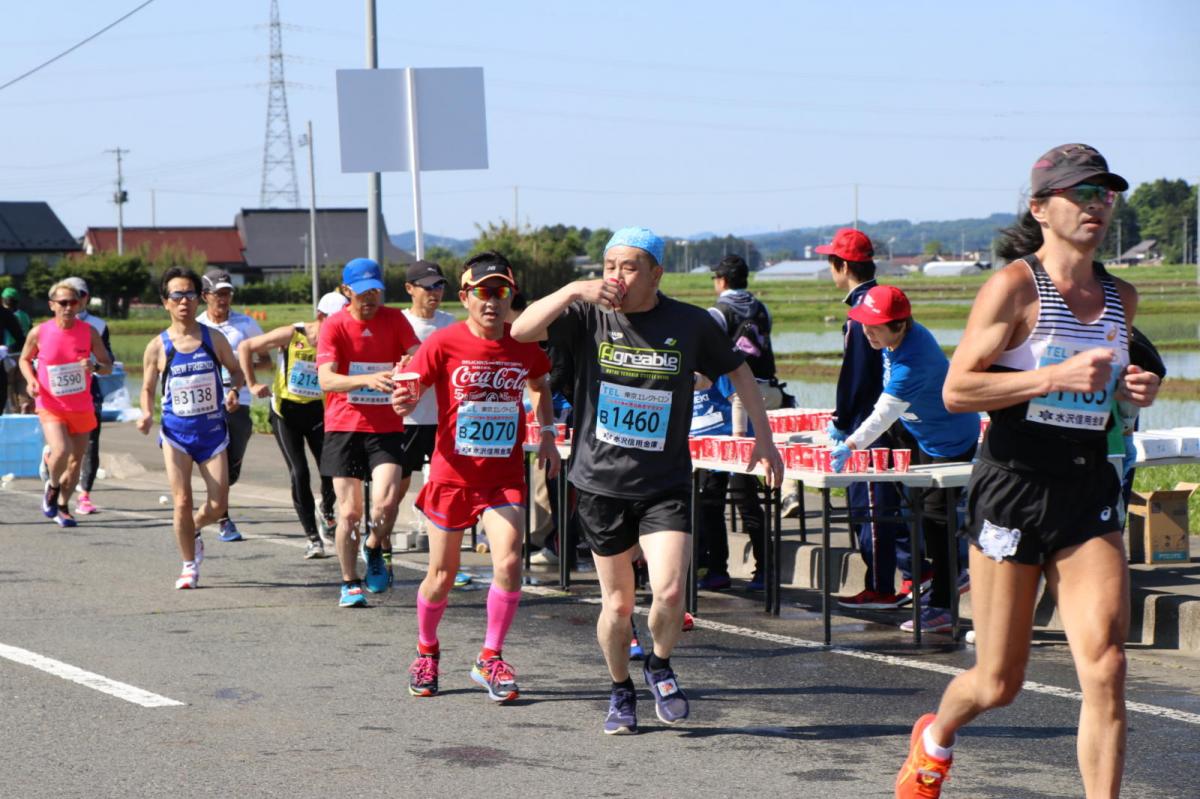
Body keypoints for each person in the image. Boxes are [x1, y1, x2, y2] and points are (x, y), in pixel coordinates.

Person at [894, 144, 1160, 799]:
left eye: (1105, 194)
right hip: (1013, 488)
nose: (1097, 206)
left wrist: (1137, 390)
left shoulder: (1121, 296)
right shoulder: (1014, 287)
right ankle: (936, 736)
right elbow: (958, 390)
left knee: (1107, 665)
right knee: (998, 682)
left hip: (1087, 488)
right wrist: (1050, 376)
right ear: (1041, 208)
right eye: (1081, 193)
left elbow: (1118, 386)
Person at [512, 226, 783, 735]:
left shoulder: (691, 322)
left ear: (656, 273)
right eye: (610, 266)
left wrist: (763, 440)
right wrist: (574, 290)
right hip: (600, 483)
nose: (617, 276)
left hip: (665, 482)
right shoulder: (588, 315)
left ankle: (659, 663)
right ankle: (620, 689)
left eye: (629, 266)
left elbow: (740, 372)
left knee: (671, 592)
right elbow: (521, 331)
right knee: (617, 606)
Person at [392, 252, 559, 702]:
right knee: (441, 575)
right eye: (483, 292)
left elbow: (540, 385)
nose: (492, 301)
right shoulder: (443, 343)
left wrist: (546, 433)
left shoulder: (523, 342)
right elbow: (411, 389)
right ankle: (427, 651)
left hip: (502, 476)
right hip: (453, 475)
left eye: (501, 292)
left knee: (508, 562)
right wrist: (404, 402)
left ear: (511, 296)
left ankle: (490, 657)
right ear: (465, 297)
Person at [828, 285, 979, 633]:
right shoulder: (894, 341)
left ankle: (944, 606)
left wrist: (850, 444)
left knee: (937, 522)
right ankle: (946, 581)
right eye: (864, 324)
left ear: (899, 325)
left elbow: (883, 414)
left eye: (875, 326)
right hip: (920, 431)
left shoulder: (913, 361)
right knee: (922, 512)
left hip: (949, 440)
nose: (867, 331)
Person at [819, 228, 924, 611]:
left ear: (843, 266)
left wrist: (841, 420)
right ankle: (915, 574)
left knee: (870, 508)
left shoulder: (863, 312)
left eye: (831, 263)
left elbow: (856, 376)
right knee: (890, 503)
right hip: (895, 419)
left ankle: (882, 587)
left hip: (870, 424)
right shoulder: (883, 300)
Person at [316, 257, 420, 607]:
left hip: (385, 426)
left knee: (387, 503)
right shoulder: (334, 325)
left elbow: (420, 354)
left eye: (375, 290)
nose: (370, 298)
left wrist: (409, 363)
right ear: (347, 291)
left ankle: (374, 545)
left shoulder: (395, 319)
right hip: (344, 426)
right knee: (349, 513)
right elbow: (326, 379)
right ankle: (349, 582)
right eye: (362, 292)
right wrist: (367, 379)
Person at [138, 267, 244, 588]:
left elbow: (236, 371)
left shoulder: (214, 338)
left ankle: (195, 526)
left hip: (212, 434)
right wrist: (146, 413)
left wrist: (234, 390)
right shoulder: (157, 346)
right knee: (181, 500)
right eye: (177, 295)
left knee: (218, 505)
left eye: (189, 294)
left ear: (199, 299)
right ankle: (188, 566)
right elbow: (147, 387)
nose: (184, 301)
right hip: (176, 435)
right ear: (165, 302)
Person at [238, 291, 348, 559]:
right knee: (299, 473)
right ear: (320, 316)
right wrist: (251, 384)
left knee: (331, 471)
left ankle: (327, 511)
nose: (340, 327)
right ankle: (313, 538)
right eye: (335, 321)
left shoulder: (341, 341)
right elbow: (246, 347)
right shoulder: (292, 333)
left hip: (318, 414)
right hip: (285, 414)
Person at [18, 281, 112, 527]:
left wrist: (95, 366)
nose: (68, 307)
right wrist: (31, 380)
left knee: (75, 462)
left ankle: (62, 506)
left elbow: (107, 365)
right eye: (63, 303)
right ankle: (53, 486)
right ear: (52, 305)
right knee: (61, 449)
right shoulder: (39, 332)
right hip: (50, 402)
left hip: (81, 406)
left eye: (73, 302)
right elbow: (24, 359)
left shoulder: (89, 332)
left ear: (80, 304)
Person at [197, 269, 264, 542]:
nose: (223, 299)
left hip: (240, 400)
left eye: (227, 294)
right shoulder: (197, 326)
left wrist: (239, 362)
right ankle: (223, 519)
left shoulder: (246, 324)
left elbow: (265, 359)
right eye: (218, 294)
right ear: (205, 296)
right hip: (209, 404)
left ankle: (217, 504)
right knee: (217, 462)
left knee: (232, 468)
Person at [398, 260, 457, 559]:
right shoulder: (399, 322)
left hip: (442, 420)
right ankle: (381, 544)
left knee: (442, 487)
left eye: (440, 286)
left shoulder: (451, 324)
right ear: (410, 289)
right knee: (396, 487)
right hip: (406, 419)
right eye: (428, 287)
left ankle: (442, 555)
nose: (435, 292)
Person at [691, 373, 766, 592]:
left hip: (735, 445)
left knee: (747, 505)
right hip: (706, 449)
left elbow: (740, 397)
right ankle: (717, 571)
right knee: (709, 508)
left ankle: (765, 569)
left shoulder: (716, 362)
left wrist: (738, 440)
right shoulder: (684, 362)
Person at [60, 278, 112, 516]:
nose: (72, 302)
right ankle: (53, 467)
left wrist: (95, 366)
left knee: (91, 443)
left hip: (89, 392)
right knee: (62, 446)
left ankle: (84, 495)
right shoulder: (50, 326)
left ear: (86, 298)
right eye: (66, 299)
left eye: (78, 296)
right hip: (58, 395)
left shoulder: (98, 326)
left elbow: (108, 360)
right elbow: (35, 358)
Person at [2, 286, 32, 413]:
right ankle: (24, 404)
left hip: (7, 354)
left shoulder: (4, 314)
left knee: (9, 383)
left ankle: (13, 409)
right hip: (23, 352)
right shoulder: (24, 315)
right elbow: (29, 331)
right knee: (22, 381)